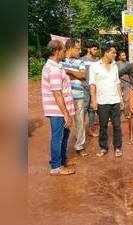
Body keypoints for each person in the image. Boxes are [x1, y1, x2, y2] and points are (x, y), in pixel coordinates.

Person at [41, 39, 75, 175]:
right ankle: (56, 167)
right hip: (58, 110)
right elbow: (57, 93)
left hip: (59, 109)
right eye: (63, 50)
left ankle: (61, 161)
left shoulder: (56, 66)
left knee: (63, 136)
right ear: (56, 51)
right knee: (58, 137)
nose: (65, 53)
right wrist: (66, 113)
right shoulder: (54, 69)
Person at [89, 43, 123, 157]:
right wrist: (94, 100)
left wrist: (121, 99)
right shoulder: (94, 66)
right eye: (113, 52)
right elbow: (92, 85)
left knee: (117, 126)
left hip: (115, 100)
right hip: (102, 101)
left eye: (115, 52)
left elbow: (117, 83)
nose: (115, 54)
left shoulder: (114, 65)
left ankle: (118, 147)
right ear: (106, 53)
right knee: (103, 126)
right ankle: (103, 147)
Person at [62, 38, 89, 157]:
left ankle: (79, 146)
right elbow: (62, 77)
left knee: (80, 121)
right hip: (65, 96)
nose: (79, 51)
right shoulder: (61, 61)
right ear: (70, 48)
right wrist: (75, 75)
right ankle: (63, 148)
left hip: (79, 96)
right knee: (65, 121)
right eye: (77, 49)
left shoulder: (81, 62)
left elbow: (83, 75)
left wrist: (69, 71)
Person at [81, 41, 99, 137]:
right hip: (83, 89)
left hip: (94, 89)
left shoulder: (97, 61)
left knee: (92, 110)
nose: (96, 51)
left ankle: (91, 130)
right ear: (89, 49)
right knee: (82, 110)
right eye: (94, 49)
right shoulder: (81, 60)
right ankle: (81, 132)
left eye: (96, 49)